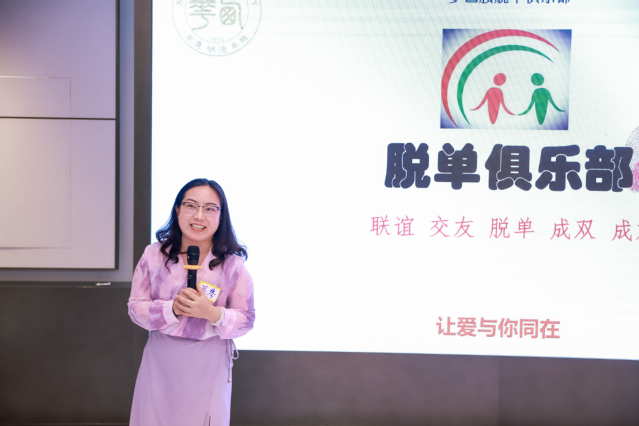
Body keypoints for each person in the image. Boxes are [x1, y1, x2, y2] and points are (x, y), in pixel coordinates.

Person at [128, 178, 255, 426]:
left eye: (210, 208)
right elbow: (135, 309)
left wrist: (213, 314)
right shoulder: (153, 255)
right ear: (177, 210)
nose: (199, 216)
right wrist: (171, 309)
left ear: (221, 216)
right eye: (191, 205)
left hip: (209, 360)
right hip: (161, 358)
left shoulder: (233, 264)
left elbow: (247, 320)